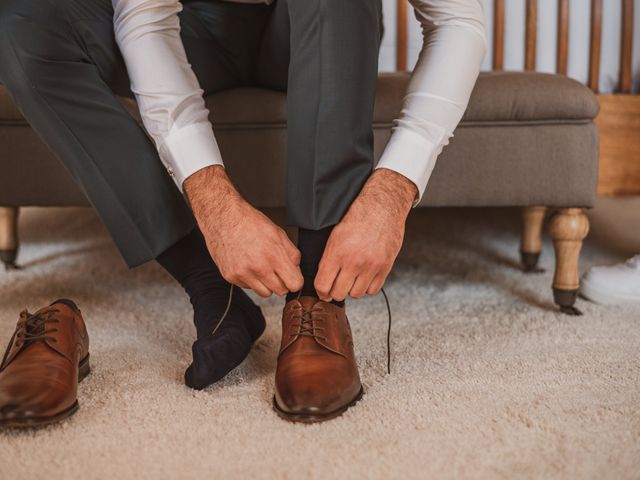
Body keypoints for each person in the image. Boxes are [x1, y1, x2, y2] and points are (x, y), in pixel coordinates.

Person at [0, 0, 486, 422]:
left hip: (322, 27)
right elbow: (146, 18)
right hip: (196, 29)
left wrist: (393, 189)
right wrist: (213, 201)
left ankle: (316, 297)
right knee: (20, 23)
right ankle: (212, 288)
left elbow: (458, 19)